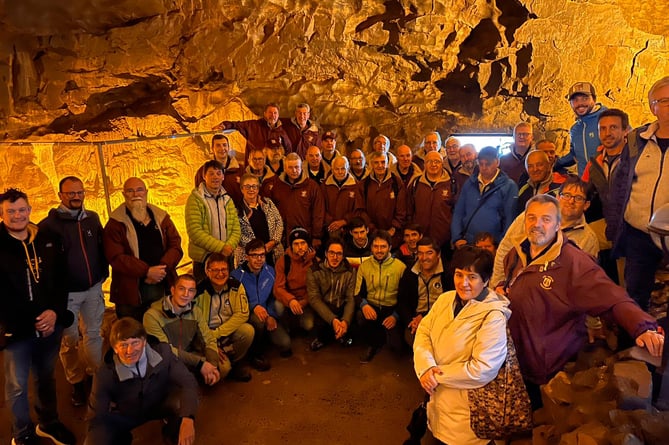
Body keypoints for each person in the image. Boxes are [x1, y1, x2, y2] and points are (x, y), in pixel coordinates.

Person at [501, 195, 663, 408]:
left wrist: (642, 327)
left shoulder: (573, 262)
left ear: (559, 224)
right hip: (519, 360)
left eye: (546, 219)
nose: (537, 225)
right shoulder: (516, 254)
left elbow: (611, 297)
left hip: (551, 367)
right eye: (531, 218)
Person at [0, 188, 76, 445]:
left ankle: (48, 424)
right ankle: (22, 435)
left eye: (22, 209)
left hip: (50, 325)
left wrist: (54, 312)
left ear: (30, 210)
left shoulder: (47, 238)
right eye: (11, 211)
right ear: (2, 214)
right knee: (17, 387)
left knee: (46, 378)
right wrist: (30, 319)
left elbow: (60, 281)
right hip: (15, 330)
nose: (17, 215)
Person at [413, 246, 510, 445]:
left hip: (467, 416)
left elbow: (483, 369)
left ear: (486, 280)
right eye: (459, 274)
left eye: (472, 277)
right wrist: (425, 367)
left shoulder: (492, 317)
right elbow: (424, 333)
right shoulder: (445, 300)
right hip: (438, 405)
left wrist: (435, 376)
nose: (463, 283)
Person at [38, 176, 108, 407]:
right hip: (65, 295)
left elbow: (100, 246)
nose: (76, 196)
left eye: (79, 192)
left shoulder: (92, 219)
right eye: (70, 193)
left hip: (93, 287)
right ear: (60, 195)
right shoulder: (48, 226)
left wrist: (102, 274)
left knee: (94, 334)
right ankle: (76, 380)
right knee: (68, 339)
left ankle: (96, 378)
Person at [606, 76, 669, 312]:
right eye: (665, 101)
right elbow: (620, 185)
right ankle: (635, 340)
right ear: (653, 107)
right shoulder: (636, 141)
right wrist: (615, 227)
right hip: (639, 234)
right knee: (635, 296)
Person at [85, 317, 198, 445]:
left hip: (159, 404)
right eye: (123, 345)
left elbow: (188, 382)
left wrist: (188, 417)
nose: (130, 351)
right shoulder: (103, 374)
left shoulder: (164, 352)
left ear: (144, 341)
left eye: (135, 343)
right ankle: (122, 438)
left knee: (182, 403)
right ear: (115, 349)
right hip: (127, 415)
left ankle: (172, 435)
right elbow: (96, 417)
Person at [491, 176, 599, 287]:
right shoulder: (530, 217)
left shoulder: (588, 239)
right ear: (558, 197)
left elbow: (584, 280)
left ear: (586, 205)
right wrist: (497, 285)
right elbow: (505, 249)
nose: (571, 201)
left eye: (578, 198)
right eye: (566, 195)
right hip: (513, 289)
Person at [104, 177, 183, 321]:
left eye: (139, 190)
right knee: (131, 332)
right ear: (124, 194)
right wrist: (146, 271)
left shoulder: (161, 217)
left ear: (146, 192)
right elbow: (116, 257)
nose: (136, 194)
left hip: (161, 283)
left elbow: (176, 245)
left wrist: (162, 269)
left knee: (160, 328)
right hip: (129, 290)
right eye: (130, 191)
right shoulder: (115, 223)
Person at [143, 274, 224, 384]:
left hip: (188, 354)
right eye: (182, 289)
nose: (186, 294)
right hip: (165, 359)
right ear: (172, 290)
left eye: (191, 290)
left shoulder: (196, 311)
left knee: (224, 368)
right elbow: (165, 350)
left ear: (194, 294)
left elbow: (208, 339)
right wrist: (200, 364)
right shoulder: (152, 316)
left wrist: (212, 365)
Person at [231, 239, 290, 369]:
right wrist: (254, 306)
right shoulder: (236, 276)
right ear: (247, 257)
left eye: (262, 255)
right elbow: (235, 302)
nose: (259, 259)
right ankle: (255, 353)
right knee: (258, 319)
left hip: (266, 313)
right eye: (254, 255)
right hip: (247, 315)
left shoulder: (270, 271)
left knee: (286, 344)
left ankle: (271, 333)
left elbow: (272, 297)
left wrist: (270, 315)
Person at [195, 253, 254, 382]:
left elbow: (242, 314)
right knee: (223, 371)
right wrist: (211, 342)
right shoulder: (198, 292)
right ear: (207, 271)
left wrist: (217, 333)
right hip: (207, 336)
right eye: (215, 270)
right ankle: (212, 362)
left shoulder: (236, 286)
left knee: (248, 331)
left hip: (224, 332)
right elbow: (195, 325)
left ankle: (235, 361)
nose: (220, 274)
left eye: (224, 269)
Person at [185, 160, 241, 282]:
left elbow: (236, 229)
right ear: (204, 176)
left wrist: (229, 247)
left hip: (226, 257)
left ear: (223, 176)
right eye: (211, 173)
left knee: (227, 293)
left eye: (218, 173)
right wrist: (221, 248)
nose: (215, 177)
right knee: (204, 296)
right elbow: (195, 231)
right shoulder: (195, 199)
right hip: (204, 258)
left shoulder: (227, 199)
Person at [355, 230, 406, 362]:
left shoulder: (400, 267)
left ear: (389, 247)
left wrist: (396, 316)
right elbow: (357, 293)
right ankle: (372, 344)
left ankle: (385, 336)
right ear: (371, 247)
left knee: (397, 348)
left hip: (392, 309)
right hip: (372, 308)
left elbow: (406, 298)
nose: (379, 250)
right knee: (360, 316)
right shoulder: (364, 266)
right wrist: (364, 305)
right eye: (376, 246)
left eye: (383, 246)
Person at [451, 146, 518, 247]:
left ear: (497, 162)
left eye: (488, 164)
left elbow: (510, 219)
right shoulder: (470, 183)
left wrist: (501, 245)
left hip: (492, 244)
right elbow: (458, 212)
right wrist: (457, 237)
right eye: (481, 164)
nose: (484, 168)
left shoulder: (509, 186)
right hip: (468, 242)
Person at [264, 152, 325, 250]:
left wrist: (316, 236)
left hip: (306, 235)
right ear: (285, 168)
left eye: (297, 167)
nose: (294, 170)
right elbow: (271, 212)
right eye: (290, 167)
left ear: (301, 167)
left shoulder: (312, 186)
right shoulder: (277, 186)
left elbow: (318, 212)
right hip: (283, 236)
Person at [397, 237, 451, 347]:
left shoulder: (448, 272)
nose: (424, 258)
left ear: (438, 254)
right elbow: (402, 300)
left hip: (442, 318)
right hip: (416, 318)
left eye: (429, 253)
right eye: (420, 253)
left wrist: (426, 317)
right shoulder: (410, 272)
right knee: (410, 338)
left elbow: (451, 303)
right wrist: (411, 321)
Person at [306, 238, 356, 351]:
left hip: (341, 307)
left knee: (353, 319)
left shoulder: (350, 271)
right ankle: (325, 337)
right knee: (319, 326)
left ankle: (342, 331)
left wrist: (345, 321)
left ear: (343, 256)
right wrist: (333, 320)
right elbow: (314, 299)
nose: (335, 257)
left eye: (339, 254)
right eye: (331, 253)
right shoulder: (314, 270)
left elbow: (350, 298)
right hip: (324, 308)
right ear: (325, 253)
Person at [273, 227, 317, 346]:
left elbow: (317, 289)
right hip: (289, 299)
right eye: (296, 244)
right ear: (291, 245)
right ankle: (285, 327)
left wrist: (304, 301)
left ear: (308, 244)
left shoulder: (315, 262)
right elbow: (278, 288)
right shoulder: (283, 261)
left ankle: (300, 326)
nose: (300, 247)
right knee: (278, 305)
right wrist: (291, 300)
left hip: (307, 301)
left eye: (303, 243)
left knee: (309, 325)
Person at [556, 82, 608, 176]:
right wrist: (553, 164)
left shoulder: (610, 119)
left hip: (611, 184)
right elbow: (575, 155)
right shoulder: (575, 129)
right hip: (586, 186)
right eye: (575, 100)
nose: (580, 103)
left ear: (594, 99)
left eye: (585, 98)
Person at [213, 102, 292, 163]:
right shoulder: (253, 125)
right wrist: (225, 125)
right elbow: (237, 125)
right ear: (265, 114)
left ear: (278, 115)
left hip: (271, 170)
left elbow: (288, 149)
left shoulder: (281, 131)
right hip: (253, 167)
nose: (273, 115)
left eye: (275, 113)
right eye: (270, 112)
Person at [408, 151, 455, 249]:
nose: (433, 164)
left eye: (437, 161)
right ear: (424, 164)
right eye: (429, 161)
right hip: (420, 237)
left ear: (442, 164)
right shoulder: (415, 183)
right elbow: (409, 209)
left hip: (444, 239)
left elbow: (456, 211)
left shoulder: (452, 183)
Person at [235, 173, 284, 267]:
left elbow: (279, 222)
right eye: (247, 186)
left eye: (254, 186)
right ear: (241, 189)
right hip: (249, 255)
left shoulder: (267, 202)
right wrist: (258, 250)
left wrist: (273, 242)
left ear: (258, 188)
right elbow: (237, 233)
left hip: (272, 251)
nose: (251, 189)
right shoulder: (236, 209)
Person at [360, 151, 407, 248]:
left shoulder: (397, 183)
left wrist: (394, 228)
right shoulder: (364, 184)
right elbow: (361, 209)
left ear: (387, 163)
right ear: (371, 164)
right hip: (371, 233)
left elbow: (402, 209)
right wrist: (372, 228)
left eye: (383, 162)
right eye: (376, 162)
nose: (380, 165)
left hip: (392, 234)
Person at [322, 156, 365, 240]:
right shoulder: (325, 185)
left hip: (350, 228)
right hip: (330, 228)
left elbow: (358, 209)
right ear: (332, 169)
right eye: (337, 169)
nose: (340, 172)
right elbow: (321, 208)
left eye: (343, 169)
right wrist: (333, 223)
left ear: (348, 168)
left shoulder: (356, 186)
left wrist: (344, 221)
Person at [194, 134, 243, 206]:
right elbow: (199, 196)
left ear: (228, 147)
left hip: (237, 213)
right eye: (218, 145)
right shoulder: (202, 172)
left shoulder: (240, 169)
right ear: (212, 148)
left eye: (224, 145)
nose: (222, 148)